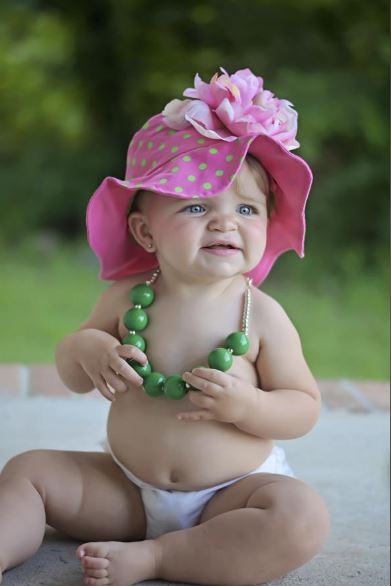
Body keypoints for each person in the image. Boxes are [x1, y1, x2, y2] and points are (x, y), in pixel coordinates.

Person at [0, 68, 329, 586]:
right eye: (197, 206)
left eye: (247, 208)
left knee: (300, 517)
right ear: (144, 231)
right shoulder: (127, 297)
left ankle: (160, 558)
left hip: (232, 495)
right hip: (127, 489)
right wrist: (89, 348)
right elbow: (72, 372)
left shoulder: (260, 314)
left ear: (268, 222)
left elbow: (304, 406)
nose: (225, 223)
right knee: (28, 472)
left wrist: (251, 407)